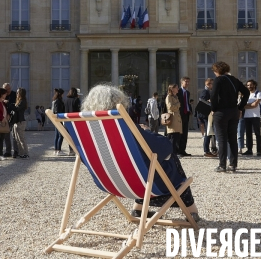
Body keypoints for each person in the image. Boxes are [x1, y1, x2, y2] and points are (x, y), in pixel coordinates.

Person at [81, 84, 200, 222]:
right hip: (145, 183)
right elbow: (166, 147)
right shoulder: (126, 129)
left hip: (111, 182)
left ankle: (138, 208)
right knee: (166, 161)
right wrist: (146, 132)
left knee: (142, 163)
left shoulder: (86, 133)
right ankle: (191, 211)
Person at [210, 62, 250, 172]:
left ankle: (222, 165)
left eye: (214, 71)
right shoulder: (234, 80)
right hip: (233, 111)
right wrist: (240, 107)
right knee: (232, 138)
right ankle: (233, 164)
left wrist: (213, 108)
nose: (214, 73)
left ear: (218, 71)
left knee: (222, 138)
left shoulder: (219, 80)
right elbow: (246, 92)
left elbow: (213, 95)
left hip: (221, 112)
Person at [242, 79, 261, 156]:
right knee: (248, 134)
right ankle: (249, 149)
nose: (249, 86)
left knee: (257, 134)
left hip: (255, 116)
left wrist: (247, 106)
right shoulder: (246, 94)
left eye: (251, 85)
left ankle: (259, 150)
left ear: (254, 85)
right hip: (247, 116)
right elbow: (242, 105)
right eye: (248, 85)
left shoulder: (258, 93)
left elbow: (255, 104)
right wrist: (250, 105)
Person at [199, 78, 216, 158]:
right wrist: (210, 102)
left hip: (208, 115)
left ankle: (212, 149)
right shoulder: (205, 91)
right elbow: (202, 101)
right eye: (212, 84)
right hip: (206, 115)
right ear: (208, 84)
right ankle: (206, 150)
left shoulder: (208, 91)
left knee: (210, 132)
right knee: (208, 132)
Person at [177, 77, 193, 156]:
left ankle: (183, 150)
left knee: (185, 133)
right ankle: (178, 151)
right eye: (186, 82)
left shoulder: (188, 93)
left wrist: (190, 110)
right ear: (181, 82)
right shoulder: (178, 91)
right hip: (179, 114)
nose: (187, 83)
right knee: (179, 133)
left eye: (188, 82)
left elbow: (187, 103)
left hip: (186, 114)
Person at [165, 84, 182, 155]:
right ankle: (171, 152)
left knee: (176, 136)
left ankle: (175, 152)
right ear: (172, 89)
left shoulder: (176, 97)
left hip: (177, 117)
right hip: (172, 117)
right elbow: (170, 107)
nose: (178, 89)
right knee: (172, 136)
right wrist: (178, 105)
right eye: (176, 88)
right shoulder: (169, 97)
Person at [12, 88, 30, 158]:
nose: (16, 94)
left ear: (21, 93)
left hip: (21, 122)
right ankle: (21, 153)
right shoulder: (18, 101)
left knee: (21, 138)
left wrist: (10, 105)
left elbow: (17, 109)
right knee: (17, 139)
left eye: (17, 92)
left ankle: (26, 153)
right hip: (16, 121)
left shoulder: (23, 101)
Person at [65, 87, 81, 156]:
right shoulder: (76, 100)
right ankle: (77, 150)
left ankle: (71, 150)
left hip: (67, 120)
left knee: (70, 136)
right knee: (76, 136)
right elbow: (78, 110)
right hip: (75, 120)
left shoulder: (65, 100)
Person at [2, 83, 16, 157]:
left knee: (14, 135)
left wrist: (10, 114)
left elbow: (16, 105)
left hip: (13, 117)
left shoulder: (14, 94)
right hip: (5, 118)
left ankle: (16, 152)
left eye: (9, 89)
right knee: (6, 135)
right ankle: (8, 151)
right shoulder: (2, 96)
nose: (8, 90)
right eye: (6, 89)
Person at [52, 88, 65, 155]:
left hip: (55, 120)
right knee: (60, 135)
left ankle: (56, 150)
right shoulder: (58, 101)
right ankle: (58, 150)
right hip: (59, 119)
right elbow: (58, 111)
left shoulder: (55, 101)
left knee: (57, 135)